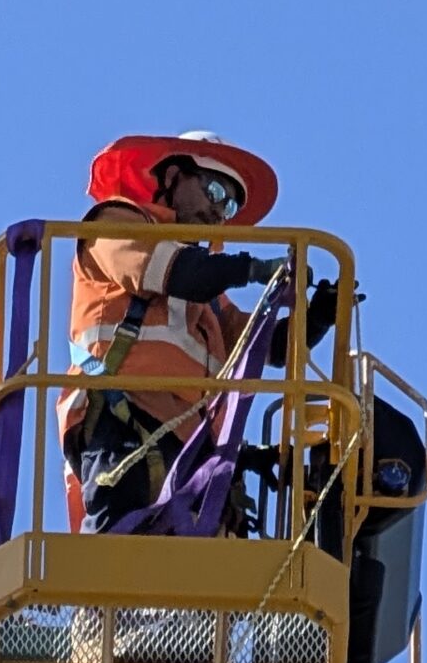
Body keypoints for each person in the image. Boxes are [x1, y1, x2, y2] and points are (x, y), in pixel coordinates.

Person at [62, 132, 306, 533]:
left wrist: (318, 318)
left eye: (228, 205)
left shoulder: (208, 300)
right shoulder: (116, 225)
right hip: (124, 424)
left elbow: (260, 345)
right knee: (120, 560)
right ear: (174, 176)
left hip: (191, 453)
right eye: (214, 191)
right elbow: (173, 271)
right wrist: (251, 269)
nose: (218, 212)